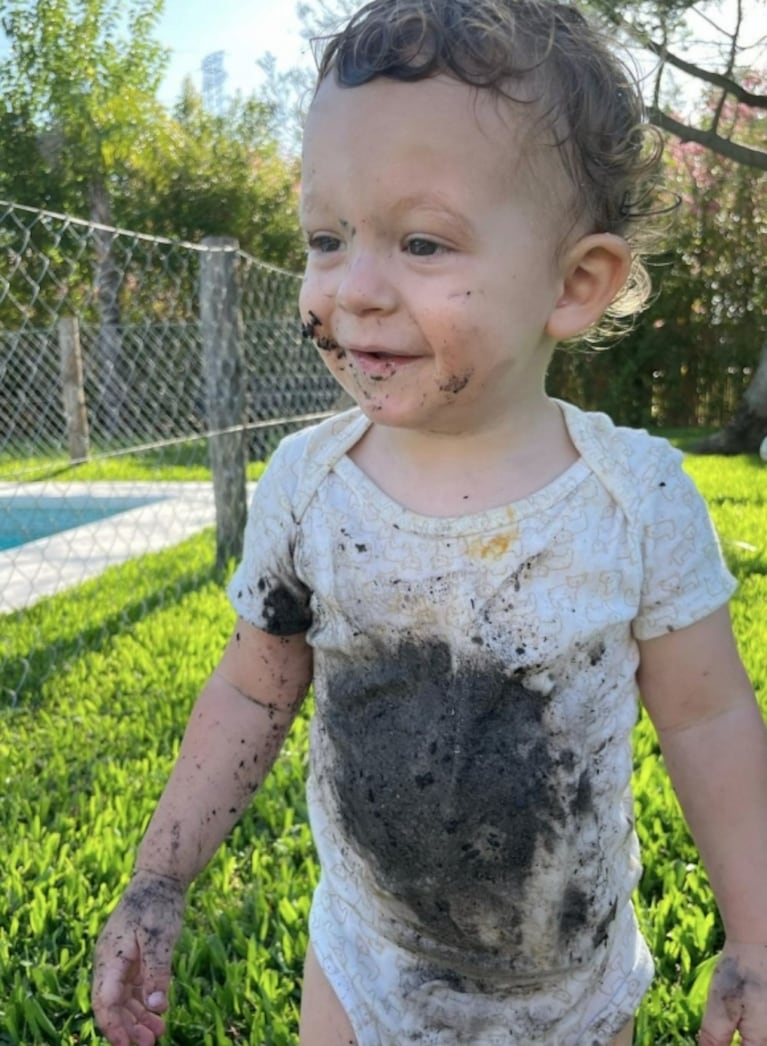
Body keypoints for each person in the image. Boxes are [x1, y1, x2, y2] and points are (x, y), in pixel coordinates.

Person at [91, 1, 767, 1043]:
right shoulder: (309, 487)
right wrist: (158, 877)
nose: (351, 288)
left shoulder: (634, 500)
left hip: (572, 995)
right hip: (364, 967)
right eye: (325, 237)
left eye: (418, 240)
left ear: (574, 282)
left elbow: (707, 720)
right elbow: (249, 688)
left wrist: (756, 937)